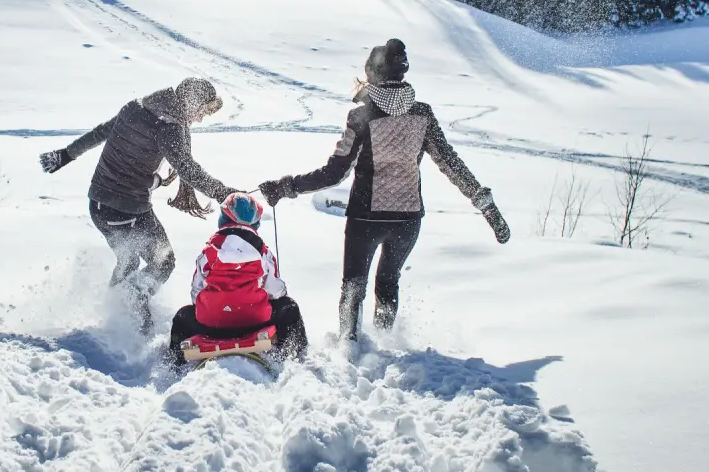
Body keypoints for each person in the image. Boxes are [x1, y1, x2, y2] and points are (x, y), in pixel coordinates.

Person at [259, 39, 510, 340]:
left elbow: (334, 173)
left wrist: (287, 186)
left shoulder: (361, 117)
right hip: (408, 219)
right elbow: (452, 165)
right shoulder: (423, 115)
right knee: (388, 282)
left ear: (372, 74)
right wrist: (486, 205)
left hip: (365, 218)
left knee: (353, 286)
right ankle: (384, 345)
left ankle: (348, 350)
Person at [40, 77, 234, 331]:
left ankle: (116, 311)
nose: (199, 119)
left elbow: (101, 132)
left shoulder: (136, 106)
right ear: (191, 103)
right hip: (123, 208)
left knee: (132, 261)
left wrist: (66, 154)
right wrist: (224, 193)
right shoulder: (170, 128)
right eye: (201, 112)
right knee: (160, 262)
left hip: (102, 203)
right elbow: (188, 169)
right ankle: (130, 305)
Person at [168, 192, 308, 366]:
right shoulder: (263, 253)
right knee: (290, 308)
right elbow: (276, 291)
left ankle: (173, 365)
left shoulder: (208, 252)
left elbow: (196, 292)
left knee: (182, 316)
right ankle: (293, 358)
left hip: (212, 325)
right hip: (254, 322)